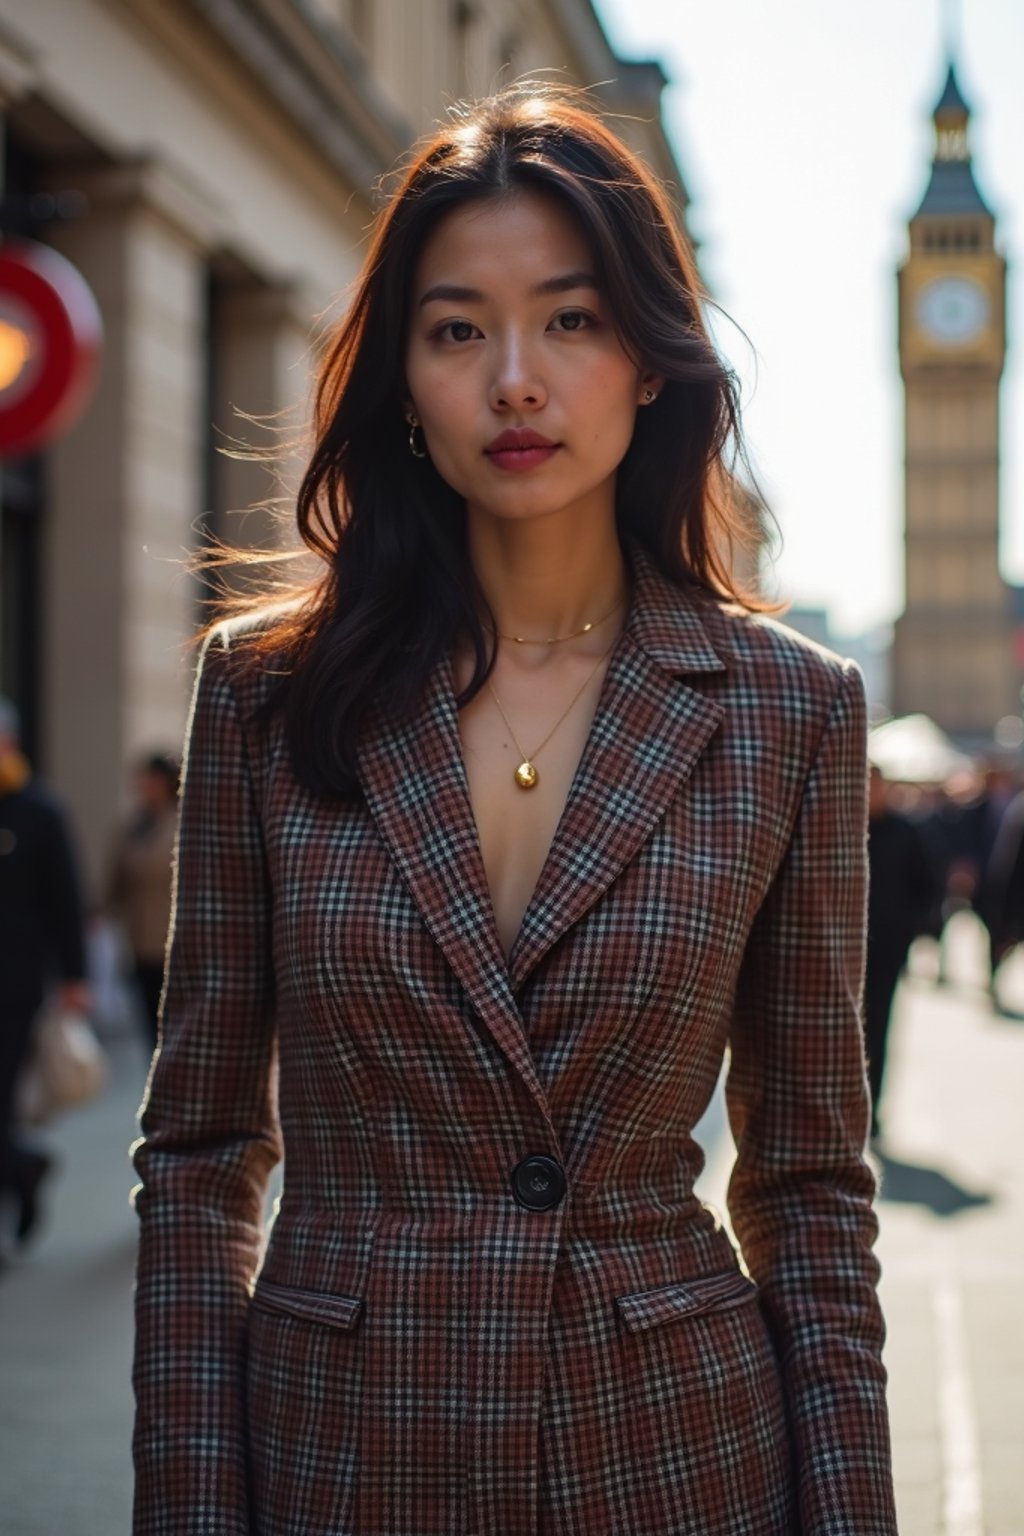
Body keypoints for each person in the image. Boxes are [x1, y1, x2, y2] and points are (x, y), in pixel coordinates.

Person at [131, 86, 897, 1535]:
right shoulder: (264, 695)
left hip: (673, 1461)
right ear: (404, 380)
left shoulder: (790, 711)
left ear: (652, 361)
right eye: (458, 329)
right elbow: (199, 1153)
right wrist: (185, 1498)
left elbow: (808, 1188)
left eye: (573, 318)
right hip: (344, 1459)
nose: (517, 380)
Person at [0, 696, 89, 1255]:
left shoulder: (39, 811)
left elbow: (66, 900)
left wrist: (75, 978)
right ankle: (24, 1167)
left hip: (15, 984)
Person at [864, 766, 937, 1139]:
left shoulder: (905, 831)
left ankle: (870, 1109)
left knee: (877, 1030)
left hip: (888, 950)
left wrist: (916, 931)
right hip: (842, 952)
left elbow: (928, 886)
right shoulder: (842, 829)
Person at [105, 752, 179, 1053]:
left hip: (175, 943)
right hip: (139, 943)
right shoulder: (132, 826)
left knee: (174, 1024)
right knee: (150, 1026)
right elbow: (115, 882)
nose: (143, 785)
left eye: (149, 779)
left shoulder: (183, 823)